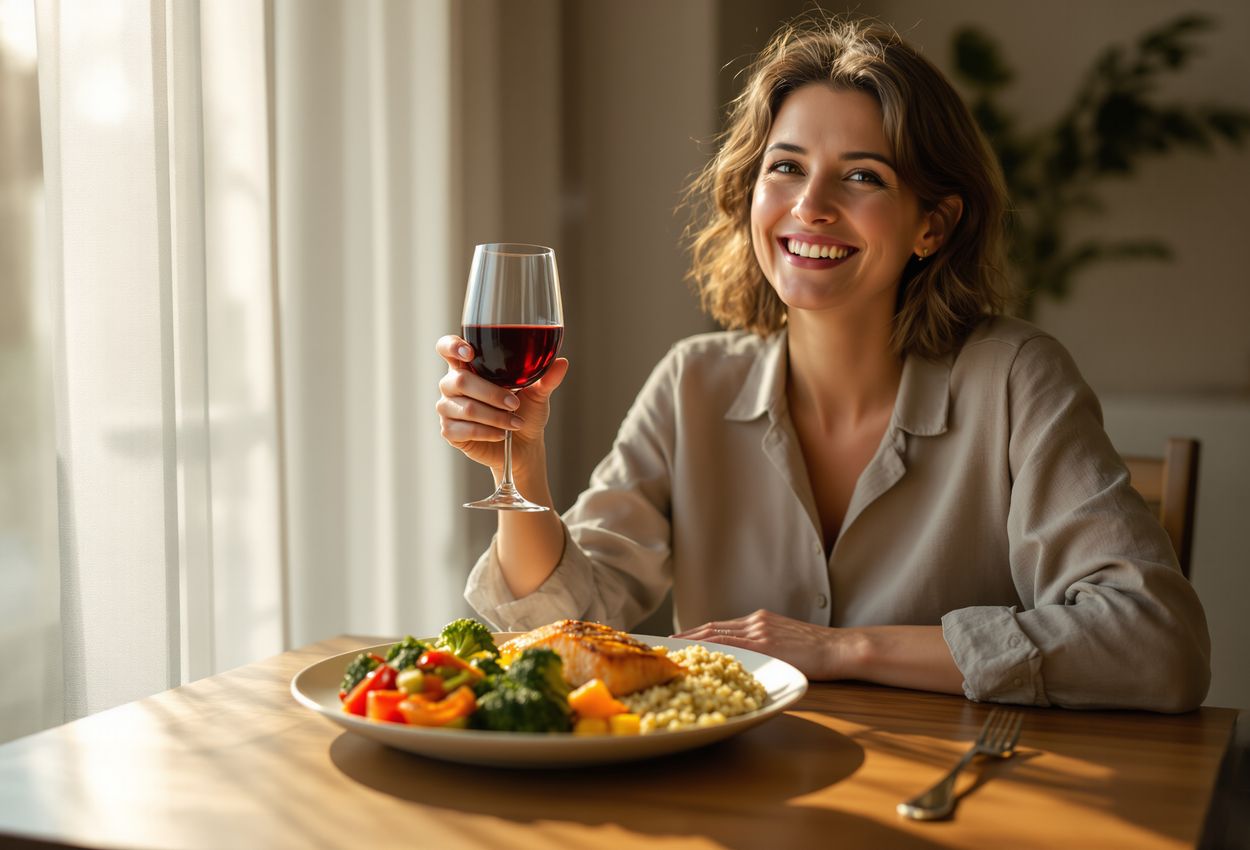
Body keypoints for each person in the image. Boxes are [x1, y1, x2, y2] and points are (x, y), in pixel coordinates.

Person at [434, 18, 1210, 711]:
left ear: (933, 226)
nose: (811, 206)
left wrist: (844, 649)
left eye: (863, 175)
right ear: (750, 194)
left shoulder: (1016, 379)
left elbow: (1156, 644)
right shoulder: (691, 383)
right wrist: (522, 463)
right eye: (786, 167)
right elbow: (565, 629)